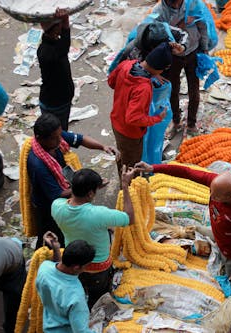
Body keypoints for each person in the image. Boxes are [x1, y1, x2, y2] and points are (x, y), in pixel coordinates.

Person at [135, 161, 231, 298]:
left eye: (216, 196)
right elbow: (186, 172)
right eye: (211, 193)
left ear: (230, 196)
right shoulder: (215, 184)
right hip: (220, 237)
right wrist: (153, 167)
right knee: (198, 232)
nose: (212, 197)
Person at [28, 113, 118, 249]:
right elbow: (57, 194)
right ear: (40, 139)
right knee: (52, 235)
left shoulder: (56, 137)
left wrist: (103, 147)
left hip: (64, 185)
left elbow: (80, 139)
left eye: (60, 135)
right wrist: (89, 185)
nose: (60, 140)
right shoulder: (38, 165)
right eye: (55, 138)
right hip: (49, 205)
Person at [52, 166, 136, 308]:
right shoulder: (99, 214)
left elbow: (68, 199)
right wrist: (125, 186)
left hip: (73, 264)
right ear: (90, 193)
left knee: (80, 290)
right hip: (97, 268)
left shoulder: (56, 207)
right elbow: (129, 218)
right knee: (97, 298)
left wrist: (89, 188)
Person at [108, 42, 171, 176]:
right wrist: (156, 118)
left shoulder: (127, 64)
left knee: (123, 156)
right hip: (130, 133)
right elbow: (133, 118)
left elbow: (111, 82)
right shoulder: (143, 88)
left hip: (116, 120)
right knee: (132, 167)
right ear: (161, 69)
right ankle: (128, 191)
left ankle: (122, 176)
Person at [153, 0, 211, 137]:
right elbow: (157, 36)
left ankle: (191, 123)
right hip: (172, 57)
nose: (176, 6)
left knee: (194, 89)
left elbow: (202, 26)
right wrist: (177, 25)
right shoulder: (158, 12)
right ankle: (176, 121)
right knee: (173, 90)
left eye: (178, 2)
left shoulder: (193, 5)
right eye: (171, 3)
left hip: (193, 51)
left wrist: (205, 48)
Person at [36, 236, 96, 333]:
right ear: (76, 267)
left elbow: (57, 266)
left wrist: (56, 249)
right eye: (86, 265)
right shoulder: (76, 296)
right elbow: (81, 331)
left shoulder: (44, 268)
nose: (86, 268)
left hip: (48, 325)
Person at [37, 8, 74, 131]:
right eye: (59, 24)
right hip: (56, 103)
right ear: (54, 28)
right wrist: (66, 21)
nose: (62, 26)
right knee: (58, 135)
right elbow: (64, 46)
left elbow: (64, 45)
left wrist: (64, 21)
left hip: (53, 100)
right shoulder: (49, 53)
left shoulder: (48, 46)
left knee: (53, 133)